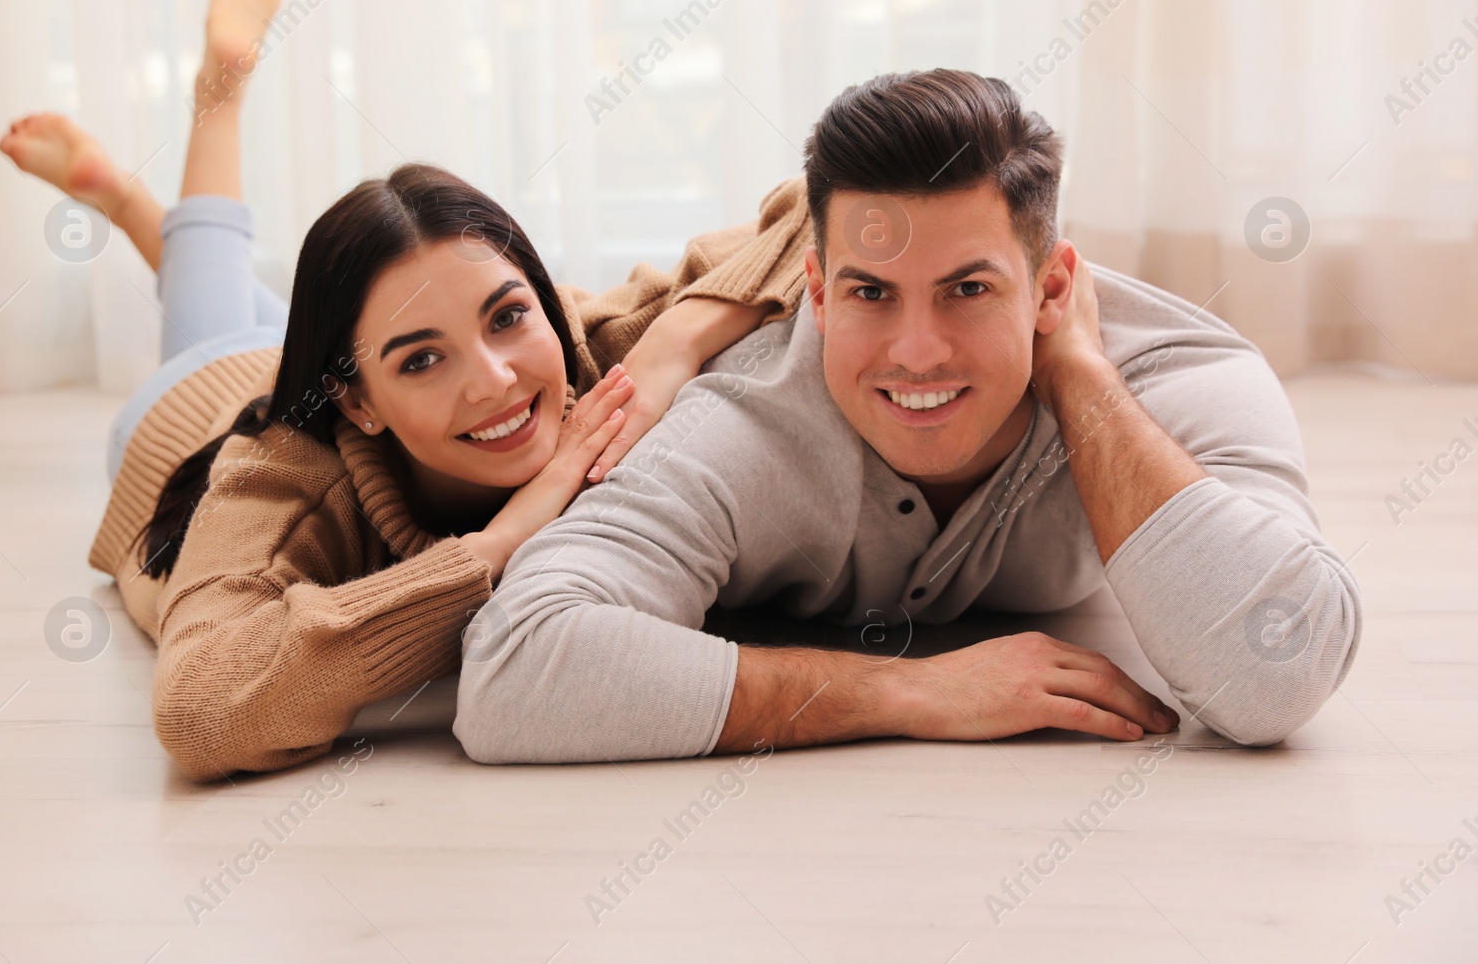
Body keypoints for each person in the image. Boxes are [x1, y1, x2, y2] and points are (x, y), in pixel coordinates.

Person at [0, 0, 807, 782]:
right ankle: (214, 106)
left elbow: (836, 202)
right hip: (190, 408)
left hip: (324, 360)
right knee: (212, 324)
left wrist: (674, 343)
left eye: (507, 314)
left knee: (252, 303)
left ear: (538, 289)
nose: (495, 378)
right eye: (424, 359)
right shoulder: (279, 482)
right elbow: (203, 716)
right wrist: (495, 545)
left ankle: (142, 216)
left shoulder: (583, 349)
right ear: (358, 404)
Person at [454, 68, 1364, 763]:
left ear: (1052, 287)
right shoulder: (741, 420)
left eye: (968, 288)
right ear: (816, 290)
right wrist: (903, 695)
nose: (917, 351)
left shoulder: (1179, 374)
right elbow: (512, 673)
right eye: (871, 293)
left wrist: (1078, 376)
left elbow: (1276, 670)